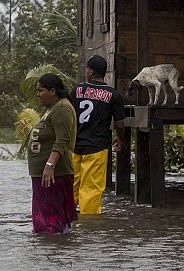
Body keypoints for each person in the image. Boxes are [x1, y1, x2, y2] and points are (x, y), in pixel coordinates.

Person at [71, 55, 126, 215]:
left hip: (75, 146)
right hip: (97, 147)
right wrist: (120, 139)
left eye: (87, 69)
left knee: (71, 186)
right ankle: (89, 225)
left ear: (91, 71)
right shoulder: (113, 94)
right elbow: (119, 123)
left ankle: (66, 221)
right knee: (91, 190)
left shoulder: (76, 90)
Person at [27, 73, 78, 234]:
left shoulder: (62, 109)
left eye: (41, 90)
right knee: (44, 220)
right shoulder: (53, 108)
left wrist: (50, 165)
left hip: (55, 174)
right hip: (44, 174)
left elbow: (62, 140)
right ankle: (52, 246)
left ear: (53, 91)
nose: (38, 94)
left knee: (51, 222)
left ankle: (55, 247)